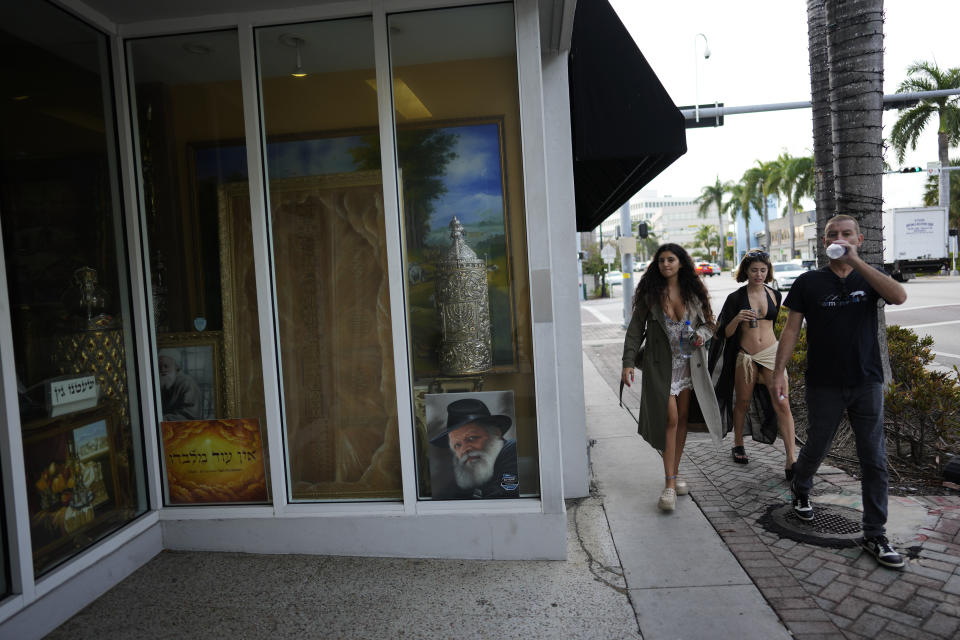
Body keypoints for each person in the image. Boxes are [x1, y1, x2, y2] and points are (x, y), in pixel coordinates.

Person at [773, 214, 908, 569]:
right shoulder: (809, 282)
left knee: (874, 460)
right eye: (833, 234)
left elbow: (899, 296)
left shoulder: (869, 275)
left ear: (859, 239)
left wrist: (856, 262)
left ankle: (875, 533)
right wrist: (778, 372)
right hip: (824, 382)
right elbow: (790, 330)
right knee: (817, 445)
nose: (839, 238)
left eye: (847, 234)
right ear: (823, 242)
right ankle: (802, 486)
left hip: (867, 382)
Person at [621, 243, 723, 512]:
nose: (665, 264)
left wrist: (701, 336)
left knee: (683, 422)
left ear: (681, 263)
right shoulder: (651, 294)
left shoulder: (694, 292)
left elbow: (710, 323)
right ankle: (668, 485)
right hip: (660, 366)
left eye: (671, 260)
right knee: (671, 418)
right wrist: (628, 363)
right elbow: (635, 330)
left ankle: (675, 476)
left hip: (690, 365)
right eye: (662, 260)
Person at [709, 251, 796, 477]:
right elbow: (724, 334)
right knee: (743, 402)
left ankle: (791, 459)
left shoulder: (775, 294)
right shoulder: (736, 298)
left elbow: (775, 327)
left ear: (768, 271)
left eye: (763, 270)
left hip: (770, 354)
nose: (759, 274)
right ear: (745, 271)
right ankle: (738, 443)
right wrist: (737, 319)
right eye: (754, 270)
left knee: (782, 403)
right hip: (745, 356)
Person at [429, 398, 519, 499]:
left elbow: (505, 498)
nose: (465, 449)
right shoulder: (462, 471)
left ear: (496, 433)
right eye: (457, 445)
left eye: (472, 438)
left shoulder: (511, 450)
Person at [158, 350, 204, 421]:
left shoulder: (187, 384)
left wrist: (165, 419)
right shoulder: (164, 383)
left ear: (176, 367)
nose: (162, 370)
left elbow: (190, 415)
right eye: (159, 367)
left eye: (166, 366)